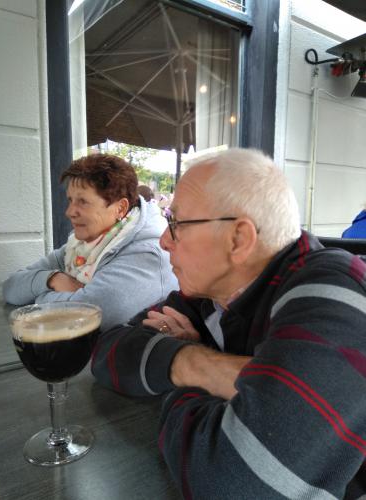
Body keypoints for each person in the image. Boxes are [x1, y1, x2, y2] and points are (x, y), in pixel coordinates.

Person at [91, 148, 366, 499]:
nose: (163, 240)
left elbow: (235, 483)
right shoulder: (210, 291)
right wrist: (196, 361)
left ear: (238, 239)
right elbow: (110, 349)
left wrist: (176, 365)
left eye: (175, 223)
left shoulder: (334, 291)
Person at [3, 154, 178, 332]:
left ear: (120, 208)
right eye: (70, 200)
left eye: (83, 202)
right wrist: (52, 279)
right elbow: (11, 287)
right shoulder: (81, 247)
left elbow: (90, 314)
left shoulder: (147, 252)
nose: (70, 212)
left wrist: (36, 297)